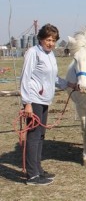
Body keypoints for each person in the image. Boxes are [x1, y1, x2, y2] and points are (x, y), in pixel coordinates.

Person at [20, 23, 70, 185]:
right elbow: (25, 78)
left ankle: (38, 169)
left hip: (44, 100)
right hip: (34, 100)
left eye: (54, 40)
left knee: (40, 136)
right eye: (48, 39)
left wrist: (68, 84)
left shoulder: (50, 55)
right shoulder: (33, 53)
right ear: (41, 39)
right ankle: (32, 175)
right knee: (34, 137)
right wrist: (27, 103)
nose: (51, 43)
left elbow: (53, 78)